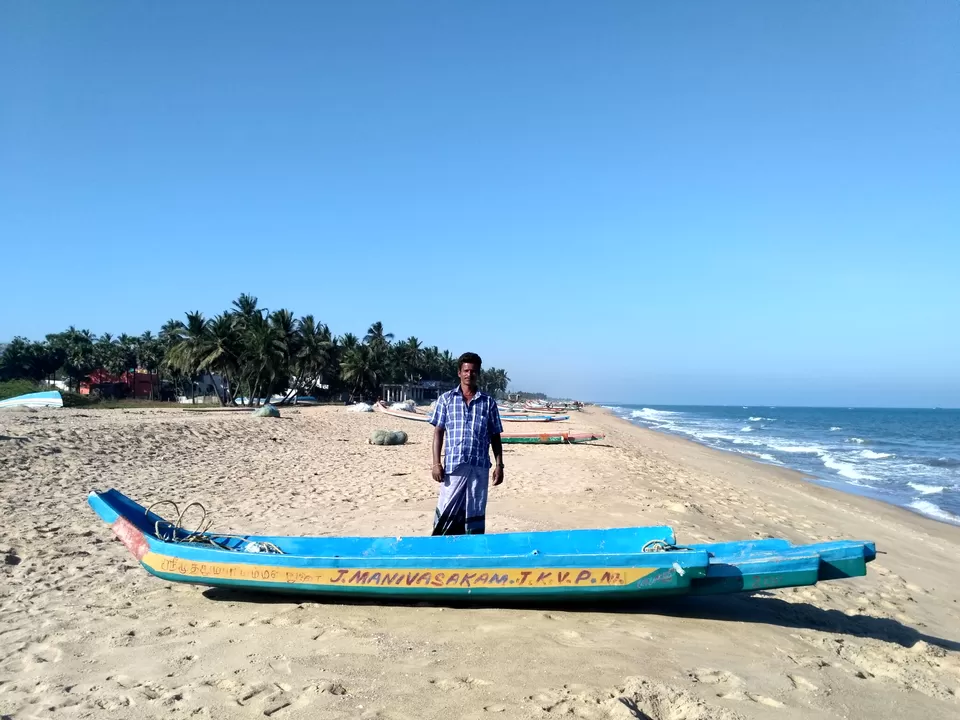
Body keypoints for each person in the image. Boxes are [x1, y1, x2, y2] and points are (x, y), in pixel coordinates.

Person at [428, 352, 504, 535]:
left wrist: (499, 465)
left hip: (479, 467)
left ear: (478, 373)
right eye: (466, 370)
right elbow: (438, 432)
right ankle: (442, 546)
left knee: (475, 509)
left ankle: (472, 548)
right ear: (459, 373)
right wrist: (436, 463)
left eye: (474, 371)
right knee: (447, 508)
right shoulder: (446, 399)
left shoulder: (488, 403)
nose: (470, 374)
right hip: (454, 467)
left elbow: (495, 436)